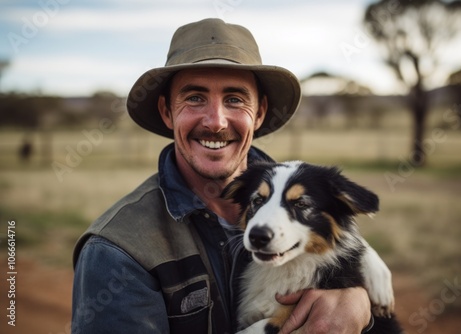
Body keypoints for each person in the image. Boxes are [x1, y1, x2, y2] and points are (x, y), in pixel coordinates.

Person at [71, 18, 372, 334]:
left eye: (234, 99)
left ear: (258, 113)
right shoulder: (117, 250)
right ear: (166, 111)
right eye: (195, 98)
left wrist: (360, 303)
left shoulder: (310, 204)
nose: (216, 121)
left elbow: (346, 263)